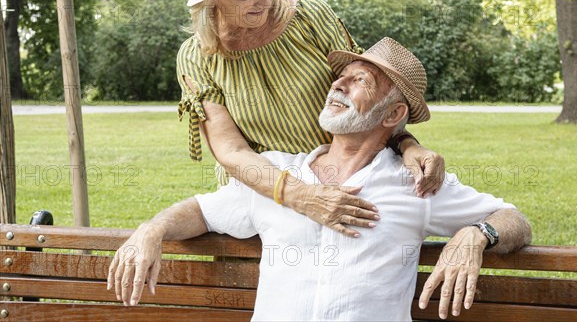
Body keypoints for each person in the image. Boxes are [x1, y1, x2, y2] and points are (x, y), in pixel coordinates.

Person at [109, 38, 532, 321]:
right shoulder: (276, 172)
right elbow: (201, 211)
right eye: (341, 76)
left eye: (359, 80)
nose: (339, 84)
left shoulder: (416, 185)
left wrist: (476, 235)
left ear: (392, 115)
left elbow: (515, 219)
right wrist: (153, 228)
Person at [176, 0, 446, 237]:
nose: (265, 1)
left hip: (346, 183)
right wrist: (302, 197)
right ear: (213, 0)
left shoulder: (309, 16)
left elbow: (369, 97)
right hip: (262, 199)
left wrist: (408, 145)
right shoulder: (197, 57)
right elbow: (231, 150)